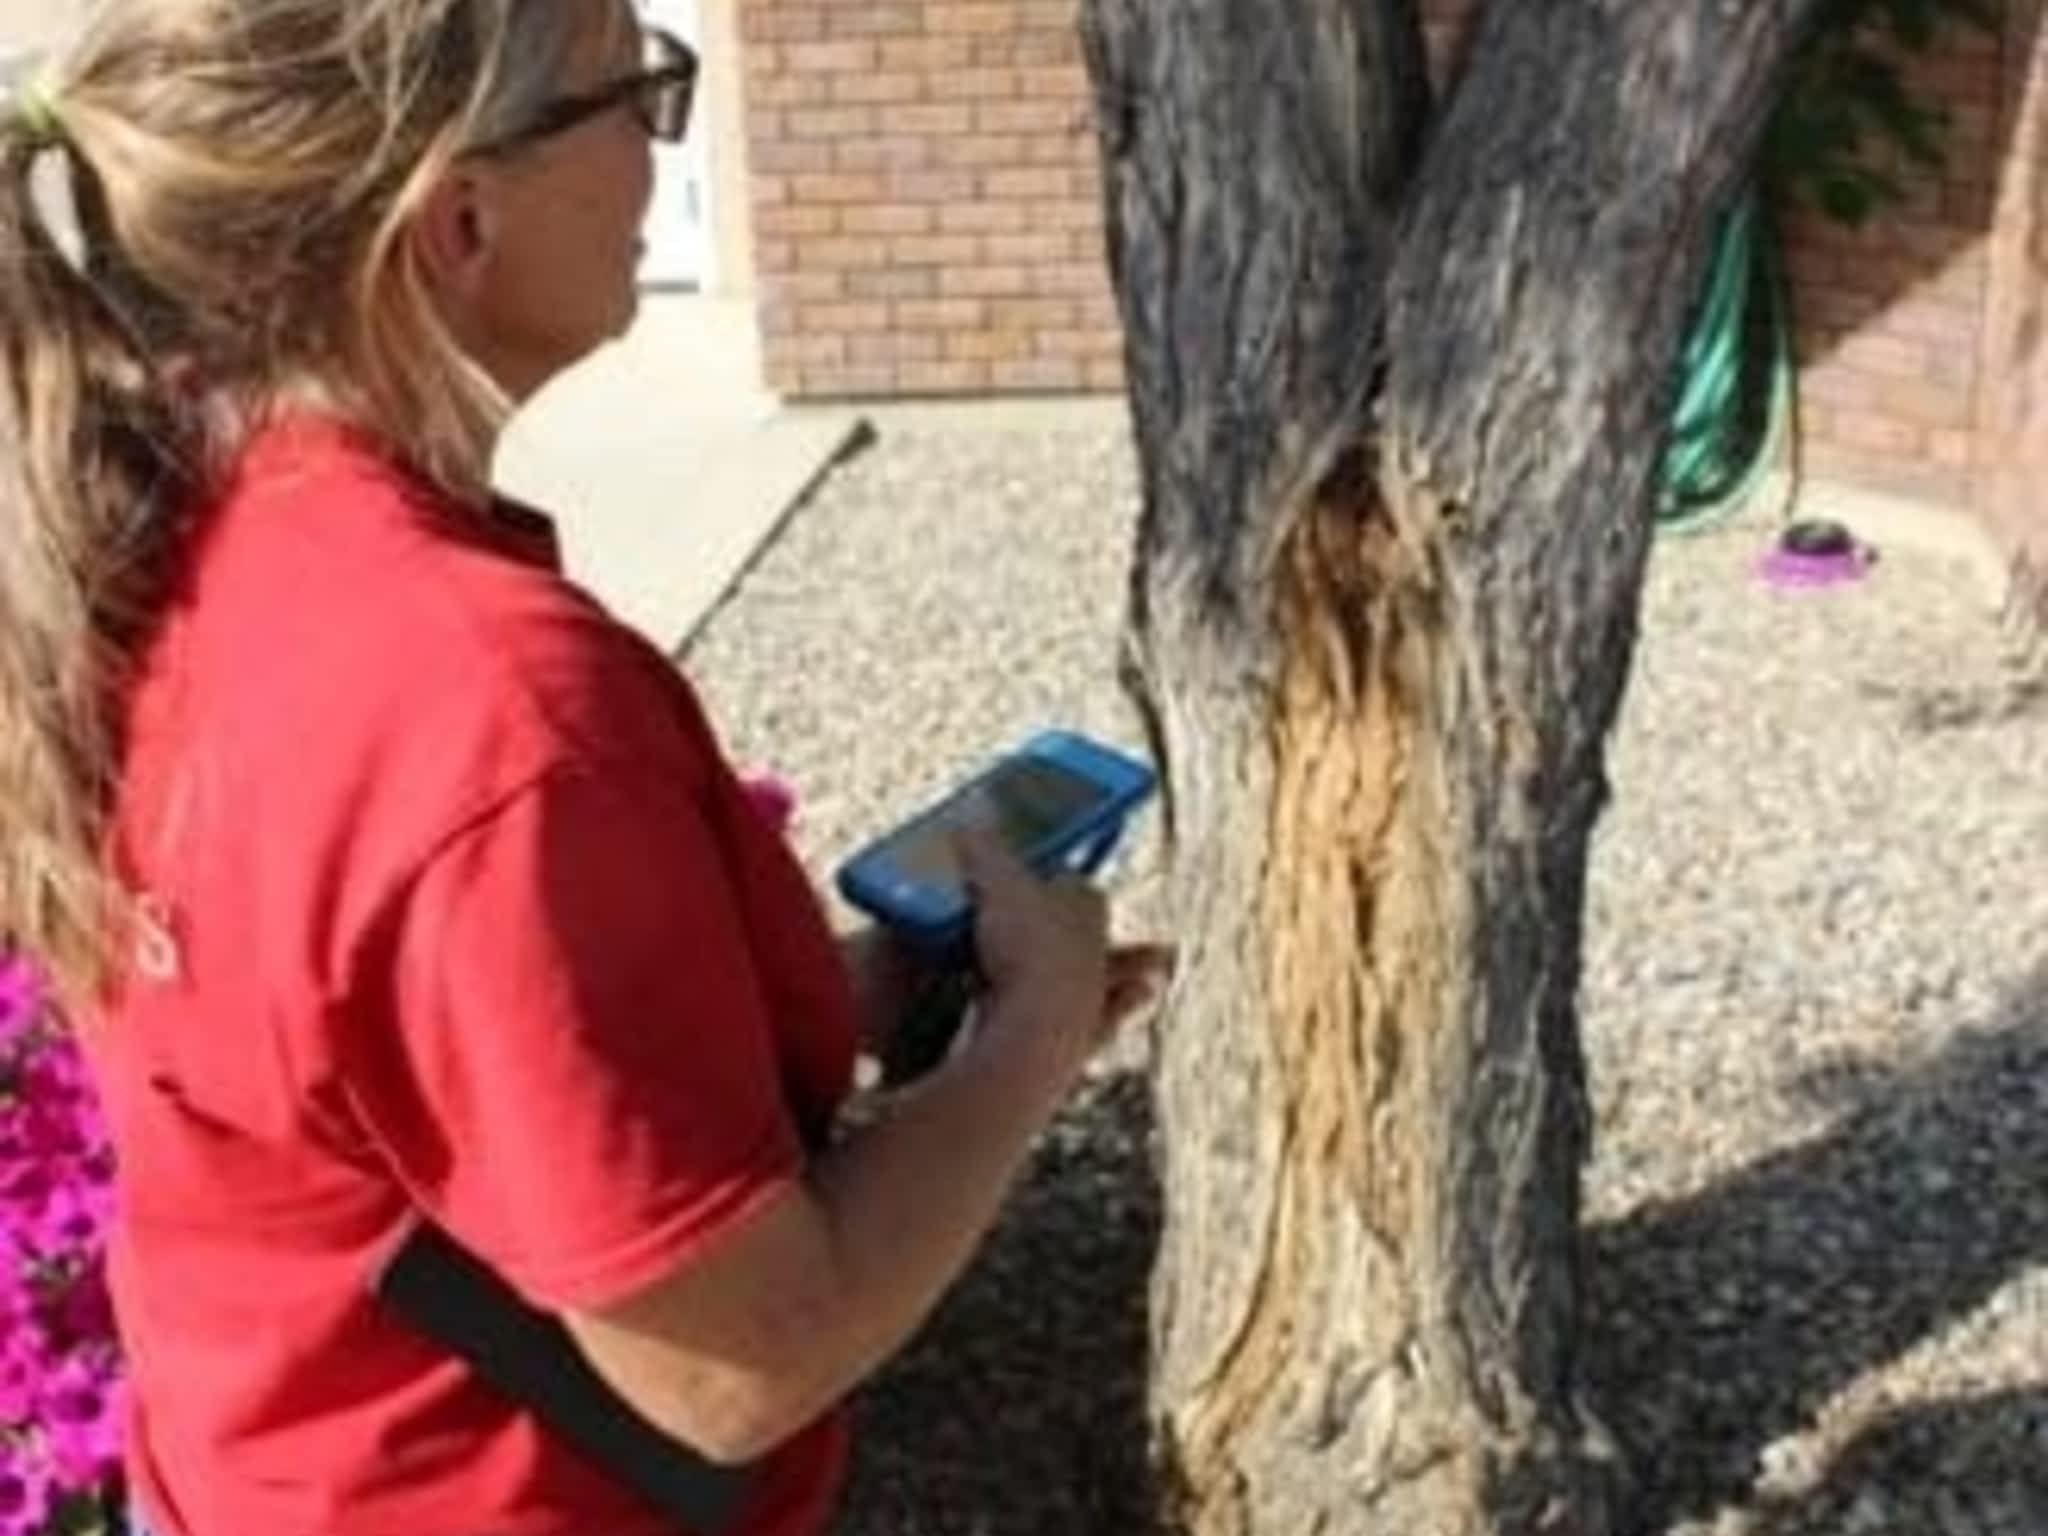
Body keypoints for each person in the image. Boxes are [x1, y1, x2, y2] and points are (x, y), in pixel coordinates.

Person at [0, 4, 1169, 1534]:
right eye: (637, 91)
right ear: (460, 221)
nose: (659, 152)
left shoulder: (176, 547)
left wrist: (877, 991)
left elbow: (399, 1052)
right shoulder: (487, 710)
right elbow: (745, 1360)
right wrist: (1031, 1037)